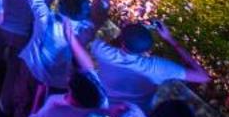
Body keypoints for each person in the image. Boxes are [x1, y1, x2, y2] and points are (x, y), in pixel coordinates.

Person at [84, 20, 212, 110]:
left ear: (122, 41)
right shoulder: (157, 67)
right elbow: (203, 77)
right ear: (146, 49)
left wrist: (129, 31)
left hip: (103, 106)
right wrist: (170, 39)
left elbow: (112, 42)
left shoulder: (101, 50)